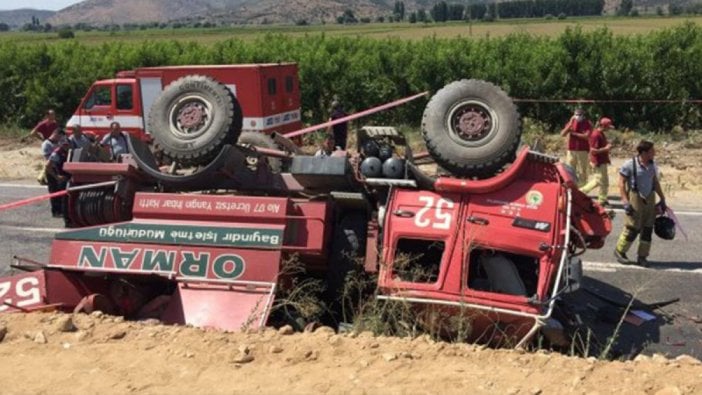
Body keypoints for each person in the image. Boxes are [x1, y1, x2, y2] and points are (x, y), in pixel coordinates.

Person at [614, 140, 666, 268]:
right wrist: (625, 202)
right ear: (644, 152)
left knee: (648, 229)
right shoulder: (629, 165)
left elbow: (655, 182)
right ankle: (620, 251)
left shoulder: (653, 165)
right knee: (633, 228)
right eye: (652, 151)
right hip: (635, 198)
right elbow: (621, 183)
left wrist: (662, 199)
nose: (654, 153)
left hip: (650, 198)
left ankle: (642, 257)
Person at [580, 117, 614, 206]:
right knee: (603, 182)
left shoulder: (601, 134)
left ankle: (583, 192)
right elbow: (593, 151)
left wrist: (606, 147)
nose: (609, 129)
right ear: (603, 126)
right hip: (598, 162)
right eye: (608, 127)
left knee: (599, 181)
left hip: (601, 161)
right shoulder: (596, 135)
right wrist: (606, 149)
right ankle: (601, 200)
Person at [560, 108, 592, 187]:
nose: (577, 116)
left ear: (583, 116)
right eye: (576, 115)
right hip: (571, 150)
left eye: (579, 115)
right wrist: (570, 125)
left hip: (582, 150)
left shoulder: (587, 123)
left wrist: (574, 134)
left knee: (582, 171)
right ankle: (571, 187)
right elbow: (562, 134)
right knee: (569, 169)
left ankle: (582, 188)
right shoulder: (571, 122)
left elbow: (586, 136)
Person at [44, 138, 71, 218]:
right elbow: (48, 166)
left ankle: (64, 212)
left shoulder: (69, 152)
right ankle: (56, 212)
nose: (66, 146)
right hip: (58, 176)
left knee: (65, 197)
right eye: (64, 145)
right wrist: (57, 176)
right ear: (61, 145)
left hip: (66, 176)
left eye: (67, 145)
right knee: (57, 195)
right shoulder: (57, 153)